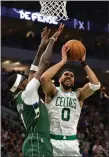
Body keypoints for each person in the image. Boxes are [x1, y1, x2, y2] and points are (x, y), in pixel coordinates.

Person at [7, 24, 64, 157]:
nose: (28, 78)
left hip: (38, 142)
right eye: (24, 79)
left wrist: (40, 47)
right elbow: (44, 63)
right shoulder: (28, 94)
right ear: (21, 85)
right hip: (37, 143)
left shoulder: (25, 96)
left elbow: (33, 70)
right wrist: (51, 41)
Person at [40, 45, 101, 156]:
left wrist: (84, 63)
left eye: (71, 76)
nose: (69, 76)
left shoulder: (78, 95)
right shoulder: (53, 92)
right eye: (66, 75)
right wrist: (63, 61)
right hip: (52, 141)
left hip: (71, 142)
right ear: (59, 79)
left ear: (73, 81)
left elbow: (96, 85)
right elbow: (44, 78)